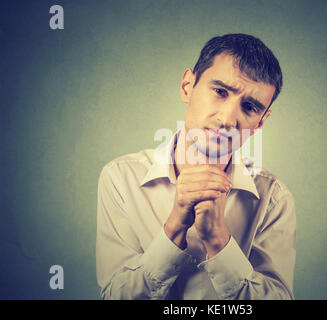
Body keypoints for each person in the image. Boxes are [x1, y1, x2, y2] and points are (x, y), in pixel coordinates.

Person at [96, 33, 296, 300]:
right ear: (187, 86)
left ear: (260, 121)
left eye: (249, 107)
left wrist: (219, 241)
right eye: (220, 92)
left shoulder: (273, 198)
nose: (227, 119)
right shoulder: (121, 178)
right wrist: (174, 228)